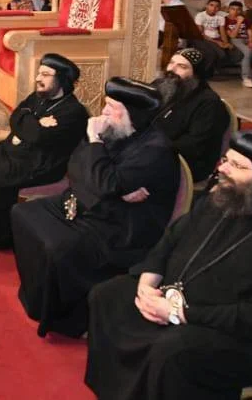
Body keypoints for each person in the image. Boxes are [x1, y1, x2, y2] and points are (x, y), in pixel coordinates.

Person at [84, 131, 252, 400]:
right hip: (183, 303)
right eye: (225, 160)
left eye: (237, 166)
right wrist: (147, 283)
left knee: (175, 351)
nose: (222, 169)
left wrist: (179, 314)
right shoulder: (221, 199)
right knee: (108, 296)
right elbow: (169, 241)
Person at [10, 77, 178, 338]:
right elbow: (76, 166)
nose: (104, 113)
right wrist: (110, 188)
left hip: (125, 227)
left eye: (112, 107)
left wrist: (96, 147)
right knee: (23, 214)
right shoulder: (116, 130)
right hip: (95, 205)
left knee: (59, 248)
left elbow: (104, 181)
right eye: (106, 105)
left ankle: (68, 320)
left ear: (132, 113)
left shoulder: (156, 150)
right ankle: (38, 298)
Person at [0, 54, 89, 250]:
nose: (37, 79)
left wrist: (27, 122)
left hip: (40, 164)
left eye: (45, 74)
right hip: (17, 152)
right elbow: (15, 116)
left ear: (61, 80)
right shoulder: (39, 96)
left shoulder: (73, 112)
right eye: (38, 73)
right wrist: (33, 122)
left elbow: (36, 137)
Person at [152, 46, 227, 183]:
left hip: (184, 163)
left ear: (196, 74)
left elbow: (194, 145)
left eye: (182, 66)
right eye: (171, 63)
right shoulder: (161, 86)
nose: (171, 69)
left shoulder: (209, 103)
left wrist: (151, 147)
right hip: (155, 151)